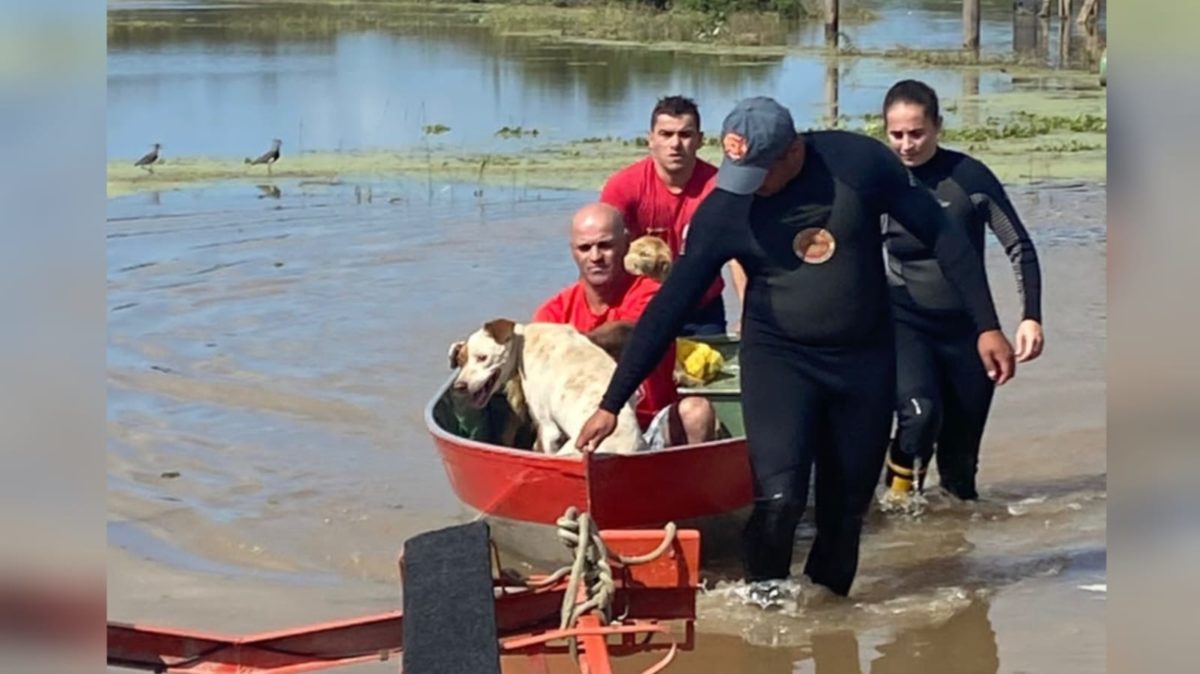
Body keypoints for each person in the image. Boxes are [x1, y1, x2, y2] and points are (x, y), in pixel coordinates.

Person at [575, 97, 1015, 598]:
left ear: (792, 151)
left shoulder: (858, 164)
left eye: (760, 172)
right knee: (779, 500)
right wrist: (612, 402)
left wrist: (986, 325)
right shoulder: (727, 206)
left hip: (863, 362)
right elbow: (668, 308)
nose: (751, 187)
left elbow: (944, 236)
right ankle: (765, 607)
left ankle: (829, 625)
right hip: (781, 362)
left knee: (845, 513)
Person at [880, 79, 1045, 502]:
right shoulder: (878, 181)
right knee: (919, 416)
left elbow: (1018, 245)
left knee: (960, 467)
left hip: (970, 330)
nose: (906, 145)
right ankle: (895, 512)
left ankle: (954, 554)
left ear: (938, 126)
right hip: (904, 322)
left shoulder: (968, 177)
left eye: (916, 133)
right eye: (896, 134)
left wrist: (1030, 316)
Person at [532, 202, 717, 448]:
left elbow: (631, 334)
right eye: (585, 248)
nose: (595, 257)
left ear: (626, 244)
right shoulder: (553, 312)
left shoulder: (653, 295)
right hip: (580, 430)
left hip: (648, 425)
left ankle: (691, 485)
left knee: (697, 411)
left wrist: (572, 345)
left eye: (605, 245)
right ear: (573, 251)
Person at [600, 95, 747, 336]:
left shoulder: (719, 188)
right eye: (666, 134)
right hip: (642, 306)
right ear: (651, 139)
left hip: (702, 308)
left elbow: (739, 258)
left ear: (700, 140)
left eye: (685, 135)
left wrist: (746, 313)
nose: (675, 144)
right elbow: (603, 251)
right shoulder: (623, 187)